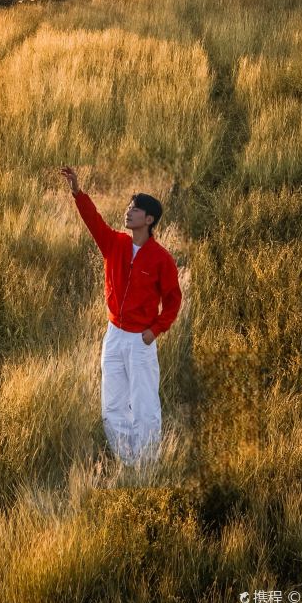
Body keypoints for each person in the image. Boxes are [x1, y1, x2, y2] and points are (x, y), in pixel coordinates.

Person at [59, 167, 182, 468]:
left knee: (144, 406)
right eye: (129, 207)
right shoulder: (114, 243)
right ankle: (129, 461)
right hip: (113, 336)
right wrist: (78, 192)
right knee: (112, 407)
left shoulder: (161, 259)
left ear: (149, 219)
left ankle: (149, 463)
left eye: (136, 209)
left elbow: (173, 301)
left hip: (141, 340)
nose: (129, 212)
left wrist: (154, 331)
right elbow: (93, 221)